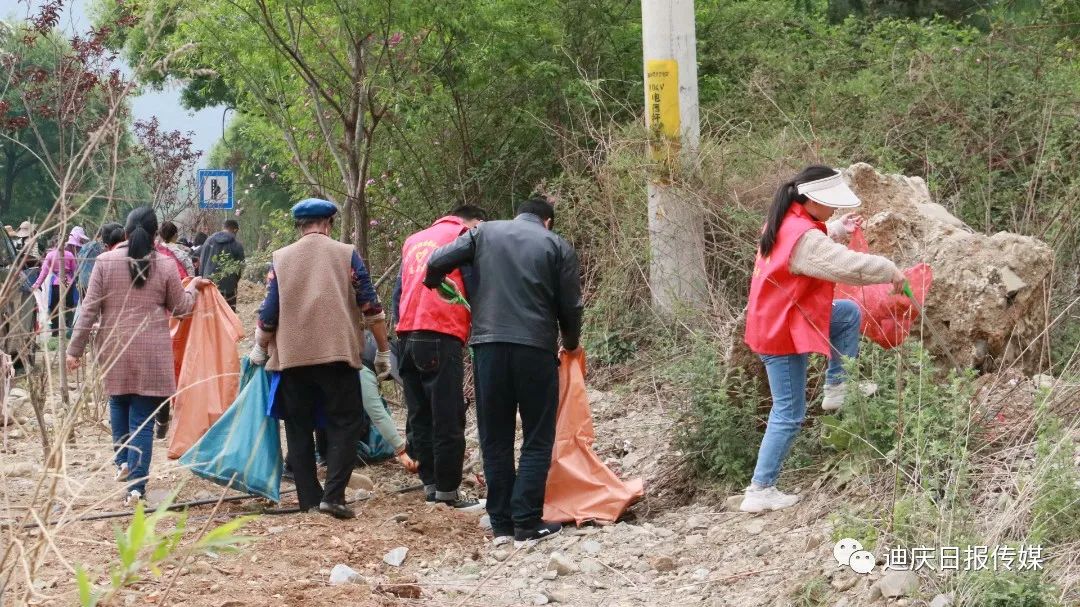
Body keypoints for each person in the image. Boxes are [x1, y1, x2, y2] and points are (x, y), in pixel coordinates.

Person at [740, 166, 906, 513]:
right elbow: (844, 265)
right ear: (811, 199)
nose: (834, 210)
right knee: (788, 413)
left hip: (779, 319)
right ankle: (760, 489)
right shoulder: (803, 238)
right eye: (830, 206)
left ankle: (838, 387)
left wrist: (836, 229)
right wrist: (889, 269)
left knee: (846, 313)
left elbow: (810, 241)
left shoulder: (783, 220)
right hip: (781, 333)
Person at [425, 195, 583, 548]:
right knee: (537, 436)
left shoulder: (484, 233)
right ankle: (527, 521)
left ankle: (501, 523)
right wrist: (571, 343)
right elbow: (570, 305)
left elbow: (437, 261)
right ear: (548, 222)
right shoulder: (557, 246)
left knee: (494, 436)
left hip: (488, 349)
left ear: (519, 215)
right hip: (535, 350)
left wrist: (435, 283)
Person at [248, 198, 392, 519]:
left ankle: (309, 501)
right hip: (338, 357)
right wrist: (383, 351)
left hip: (292, 361)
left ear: (299, 226)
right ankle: (334, 497)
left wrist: (260, 347)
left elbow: (268, 313)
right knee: (346, 423)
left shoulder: (280, 259)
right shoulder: (346, 254)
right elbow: (371, 307)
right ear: (329, 224)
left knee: (298, 427)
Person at [66, 207, 209, 505]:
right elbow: (182, 309)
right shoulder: (166, 266)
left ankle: (122, 462)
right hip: (152, 353)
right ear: (155, 233)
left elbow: (89, 309)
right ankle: (136, 488)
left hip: (114, 347)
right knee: (142, 419)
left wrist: (74, 350)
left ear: (126, 232)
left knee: (118, 402)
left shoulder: (104, 262)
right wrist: (193, 287)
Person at [392, 205, 487, 511]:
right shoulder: (463, 236)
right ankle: (448, 492)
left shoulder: (413, 240)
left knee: (420, 414)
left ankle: (431, 485)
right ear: (472, 222)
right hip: (439, 333)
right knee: (447, 415)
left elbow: (398, 292)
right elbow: (475, 287)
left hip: (406, 335)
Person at [33, 227, 86, 336]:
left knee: (54, 307)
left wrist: (37, 284)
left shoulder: (50, 255)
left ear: (54, 243)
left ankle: (55, 331)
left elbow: (44, 272)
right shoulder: (70, 255)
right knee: (70, 306)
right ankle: (70, 330)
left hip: (56, 284)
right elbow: (75, 271)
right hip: (69, 284)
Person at [198, 219, 245, 310]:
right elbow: (240, 268)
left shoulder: (208, 241)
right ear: (235, 230)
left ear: (224, 228)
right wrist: (234, 282)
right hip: (229, 288)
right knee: (228, 314)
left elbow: (202, 262)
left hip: (209, 285)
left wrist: (202, 278)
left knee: (210, 315)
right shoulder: (237, 245)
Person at [77, 224, 123, 298]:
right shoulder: (102, 248)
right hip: (94, 283)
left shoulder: (85, 247)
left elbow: (78, 263)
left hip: (82, 283)